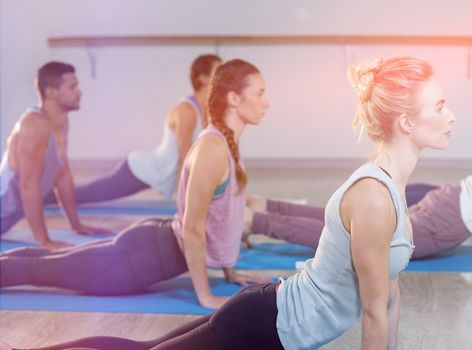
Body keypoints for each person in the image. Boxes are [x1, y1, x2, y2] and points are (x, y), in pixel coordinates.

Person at [16, 56, 456, 350]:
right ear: (404, 120)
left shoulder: (392, 189)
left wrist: (226, 267)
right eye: (440, 105)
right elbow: (375, 313)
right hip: (262, 324)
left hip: (268, 313)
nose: (451, 115)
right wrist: (205, 290)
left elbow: (390, 299)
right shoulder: (374, 199)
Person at [245, 41, 472, 272]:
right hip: (452, 217)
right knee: (349, 239)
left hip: (453, 200)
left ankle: (265, 205)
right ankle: (254, 220)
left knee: (349, 226)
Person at [1, 59, 271, 309]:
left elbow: (223, 215)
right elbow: (193, 229)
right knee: (38, 268)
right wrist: (206, 296)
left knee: (45, 262)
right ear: (234, 98)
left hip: (150, 245)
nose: (266, 102)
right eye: (260, 93)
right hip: (137, 260)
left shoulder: (225, 143)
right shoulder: (213, 148)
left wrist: (229, 271)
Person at [43, 54, 222, 204]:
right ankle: (41, 197)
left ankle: (46, 194)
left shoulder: (207, 109)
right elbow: (185, 154)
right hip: (144, 169)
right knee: (87, 195)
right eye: (218, 71)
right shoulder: (187, 110)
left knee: (87, 193)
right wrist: (186, 196)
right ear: (203, 78)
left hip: (159, 171)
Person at [0, 62, 111, 248]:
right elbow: (28, 186)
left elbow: (63, 177)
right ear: (51, 92)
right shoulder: (34, 125)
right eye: (72, 87)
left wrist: (76, 225)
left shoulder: (60, 123)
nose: (79, 92)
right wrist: (44, 241)